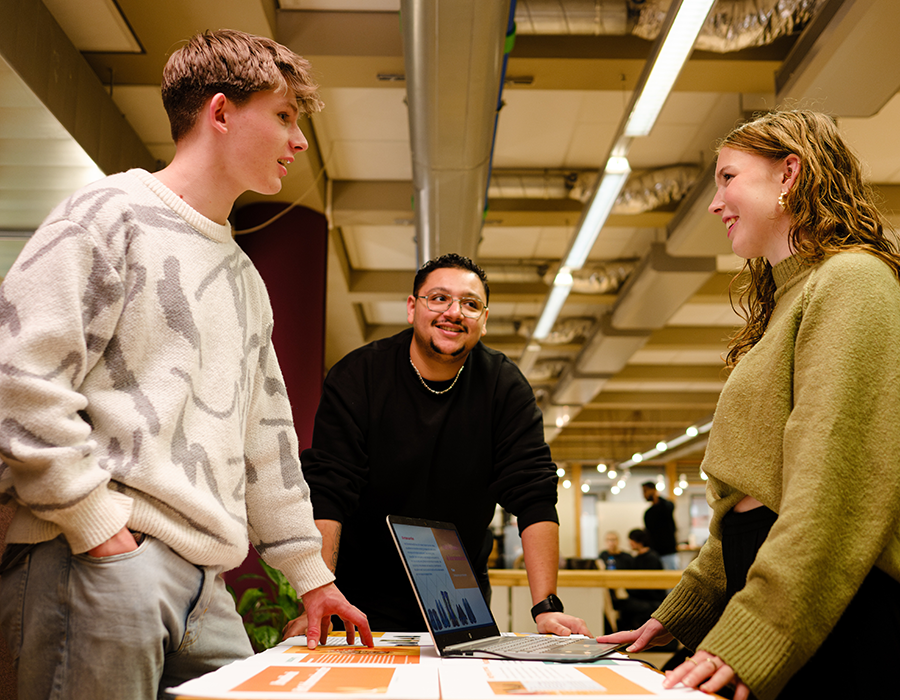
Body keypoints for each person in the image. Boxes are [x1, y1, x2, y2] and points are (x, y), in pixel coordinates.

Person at [0, 29, 371, 700]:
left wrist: (312, 577)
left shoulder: (245, 278)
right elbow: (20, 378)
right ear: (221, 112)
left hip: (207, 587)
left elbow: (267, 443)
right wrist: (98, 529)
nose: (299, 141)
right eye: (284, 116)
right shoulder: (109, 213)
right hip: (99, 559)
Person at [597, 110, 900, 699]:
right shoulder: (790, 298)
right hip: (788, 589)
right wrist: (681, 612)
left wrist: (758, 627)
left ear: (789, 173)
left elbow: (834, 485)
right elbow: (748, 496)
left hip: (833, 609)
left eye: (727, 177)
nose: (714, 204)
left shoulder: (853, 280)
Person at [284, 253, 590, 638]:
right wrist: (317, 594)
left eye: (470, 304)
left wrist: (546, 608)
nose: (454, 312)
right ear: (412, 308)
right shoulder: (359, 376)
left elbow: (534, 495)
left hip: (457, 592)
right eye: (439, 298)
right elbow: (329, 489)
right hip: (360, 591)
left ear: (484, 320)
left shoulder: (504, 387)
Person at [609, 530, 666, 633]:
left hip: (652, 599)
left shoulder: (651, 558)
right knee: (620, 604)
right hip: (643, 597)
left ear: (638, 541)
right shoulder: (637, 558)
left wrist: (630, 590)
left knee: (624, 606)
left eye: (631, 540)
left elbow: (649, 586)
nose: (629, 543)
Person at [641, 481, 678, 570]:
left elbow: (669, 507)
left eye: (645, 491)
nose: (643, 495)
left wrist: (656, 497)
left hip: (668, 552)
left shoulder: (666, 506)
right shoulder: (648, 513)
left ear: (653, 490)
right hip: (654, 553)